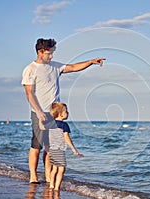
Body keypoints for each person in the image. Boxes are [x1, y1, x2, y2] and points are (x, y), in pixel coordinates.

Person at [21, 38, 105, 183]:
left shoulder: (55, 66)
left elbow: (73, 67)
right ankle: (33, 176)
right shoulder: (30, 69)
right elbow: (29, 94)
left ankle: (48, 176)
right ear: (40, 52)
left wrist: (91, 62)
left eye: (52, 53)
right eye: (49, 53)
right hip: (39, 113)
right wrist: (39, 112)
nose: (51, 56)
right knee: (37, 146)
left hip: (54, 114)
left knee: (50, 147)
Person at [45, 102, 83, 198]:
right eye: (66, 111)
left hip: (52, 150)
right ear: (61, 114)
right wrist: (74, 149)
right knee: (61, 169)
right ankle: (57, 188)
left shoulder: (50, 124)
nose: (68, 113)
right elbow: (67, 138)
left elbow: (47, 137)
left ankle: (51, 185)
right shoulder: (64, 125)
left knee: (54, 169)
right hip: (59, 150)